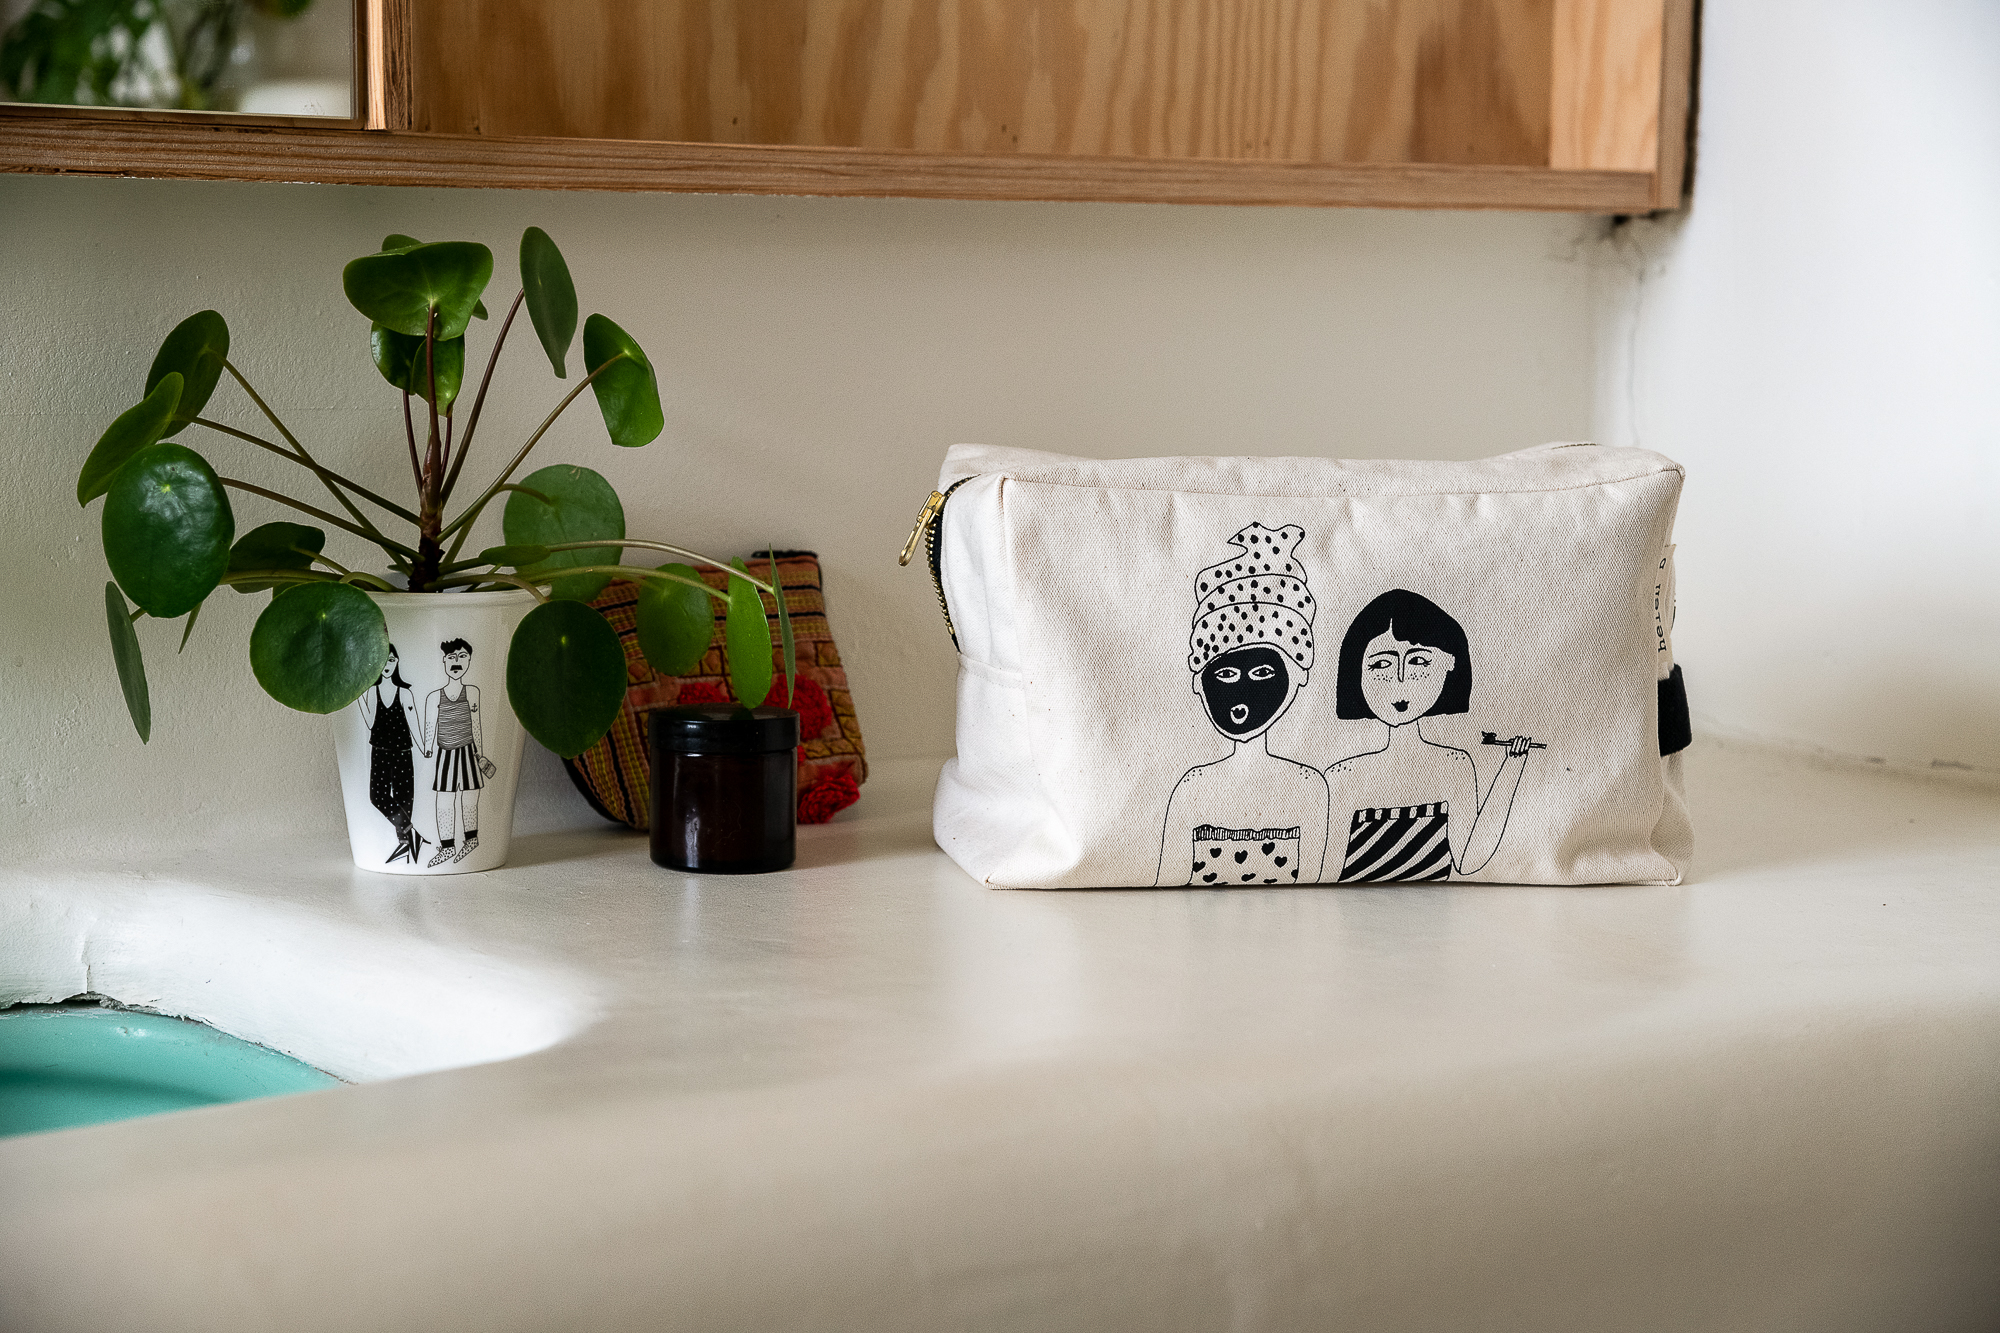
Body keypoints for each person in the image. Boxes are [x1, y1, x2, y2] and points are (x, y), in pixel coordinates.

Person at [1157, 522, 1329, 886]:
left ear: (1298, 674)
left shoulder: (1311, 787)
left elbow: (1319, 881)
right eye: (1225, 674)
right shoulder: (1192, 788)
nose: (1243, 692)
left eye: (1263, 672)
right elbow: (1165, 876)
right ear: (1199, 681)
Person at [1323, 589, 1536, 882]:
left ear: (1449, 664)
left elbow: (1469, 860)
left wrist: (1511, 767)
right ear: (1356, 671)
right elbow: (1325, 871)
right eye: (1381, 664)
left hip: (1442, 910)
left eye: (1418, 661)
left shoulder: (1455, 764)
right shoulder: (1342, 776)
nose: (1400, 679)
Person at [421, 637, 492, 866]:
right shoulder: (435, 696)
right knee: (444, 799)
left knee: (470, 796)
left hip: (468, 751)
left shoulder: (472, 692)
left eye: (462, 657)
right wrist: (428, 747)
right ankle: (448, 846)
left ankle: (471, 839)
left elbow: (476, 724)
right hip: (446, 753)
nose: (456, 662)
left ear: (469, 660)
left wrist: (480, 755)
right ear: (444, 661)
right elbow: (430, 724)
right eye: (451, 657)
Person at [356, 644, 428, 865]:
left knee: (404, 797)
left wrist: (423, 746)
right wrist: (357, 693)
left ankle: (405, 845)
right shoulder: (372, 691)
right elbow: (370, 723)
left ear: (396, 662)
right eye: (383, 660)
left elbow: (413, 722)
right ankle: (411, 833)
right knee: (377, 796)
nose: (387, 665)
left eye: (391, 660)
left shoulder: (404, 692)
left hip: (403, 752)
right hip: (379, 751)